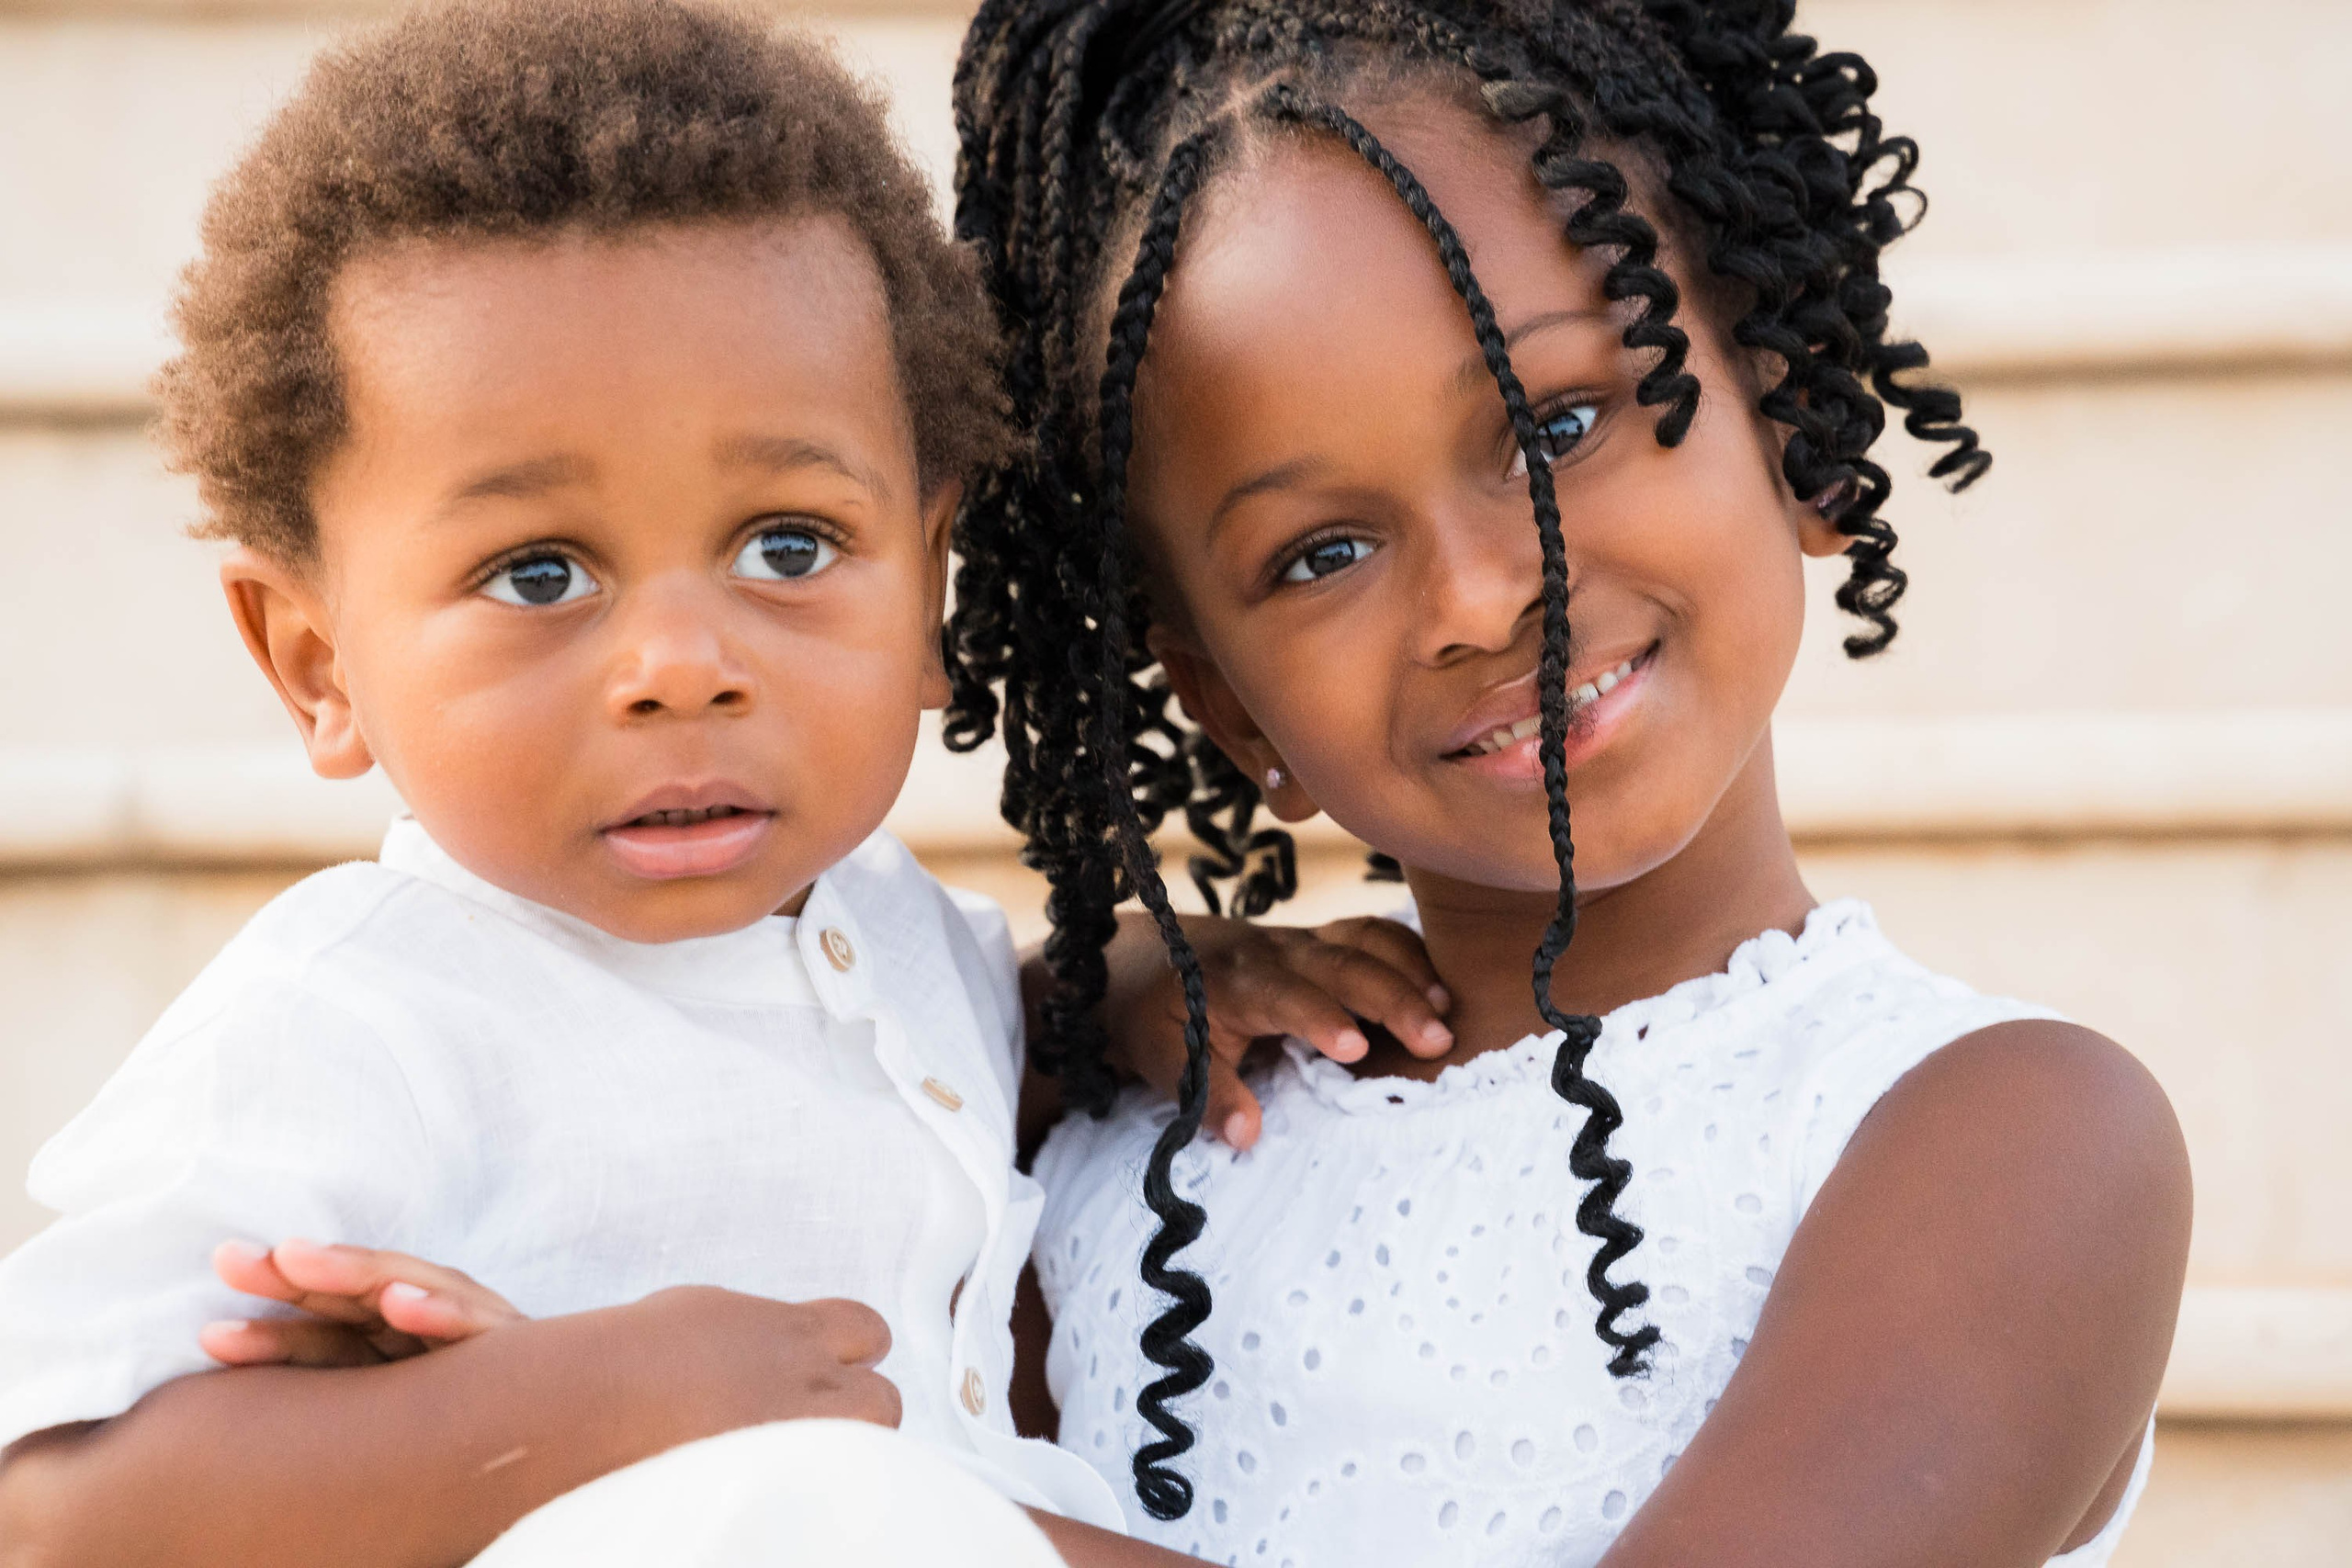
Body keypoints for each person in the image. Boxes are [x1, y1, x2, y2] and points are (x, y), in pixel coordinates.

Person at [0, 6, 1434, 1565]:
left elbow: (884, 1061)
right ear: (317, 664)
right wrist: (582, 1398)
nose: (683, 664)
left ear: (928, 592)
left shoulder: (878, 934)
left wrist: (1139, 983)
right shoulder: (355, 1020)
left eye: (790, 547)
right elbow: (60, 1505)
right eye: (538, 572)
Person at [943, 2, 2195, 1564]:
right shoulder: (1121, 1166)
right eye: (1321, 553)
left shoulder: (2006, 1140)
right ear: (1224, 702)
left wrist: (844, 1519)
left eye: (1557, 425)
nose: (1478, 596)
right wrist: (1074, 1003)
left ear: (1792, 409)